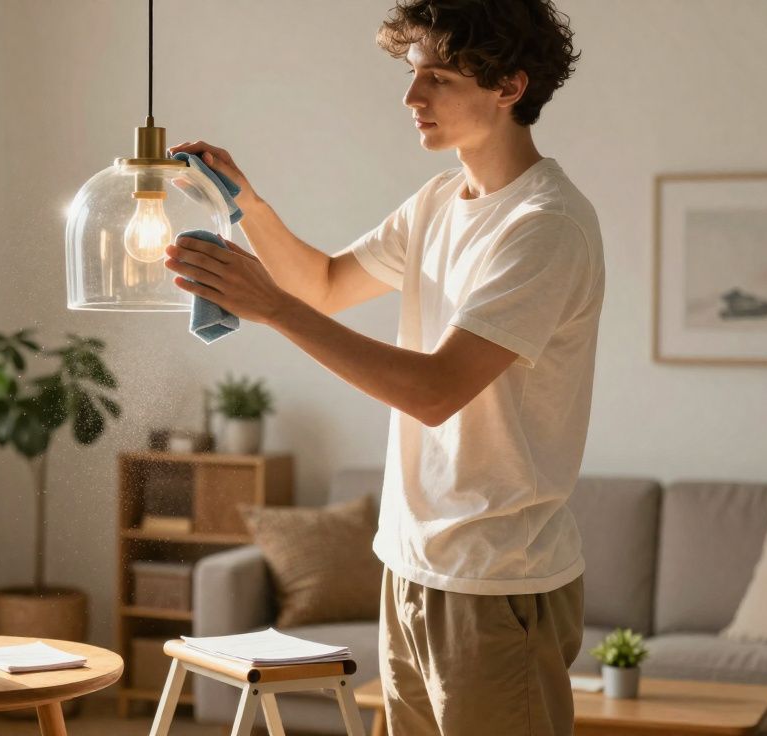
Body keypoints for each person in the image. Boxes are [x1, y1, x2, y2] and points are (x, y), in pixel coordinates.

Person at [164, 1, 601, 734]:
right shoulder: (438, 201)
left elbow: (435, 392)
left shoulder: (544, 227)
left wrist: (269, 307)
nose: (411, 97)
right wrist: (247, 205)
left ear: (509, 87)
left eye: (437, 76)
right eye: (410, 73)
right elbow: (328, 284)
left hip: (495, 581)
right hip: (407, 565)